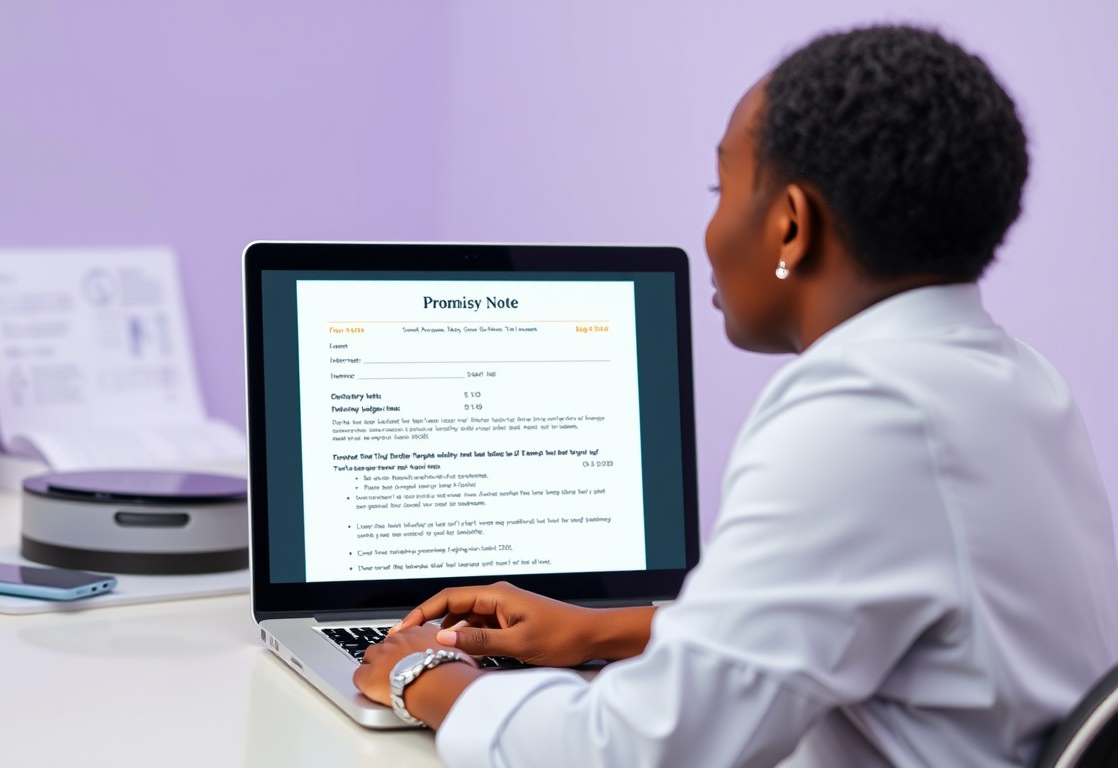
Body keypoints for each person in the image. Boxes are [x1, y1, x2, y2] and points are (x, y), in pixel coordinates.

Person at [351, 24, 1118, 767]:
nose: (710, 227)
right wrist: (605, 630)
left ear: (790, 226)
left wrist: (426, 675)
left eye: (722, 189)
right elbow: (852, 627)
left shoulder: (862, 415)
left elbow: (632, 751)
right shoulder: (1015, 380)